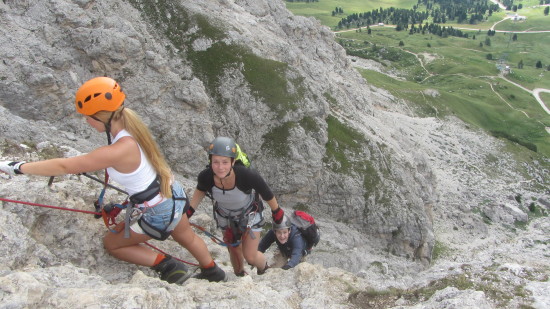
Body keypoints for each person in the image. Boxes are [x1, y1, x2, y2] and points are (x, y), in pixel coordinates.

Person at [0, 76, 226, 284]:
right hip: (172, 193)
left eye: (88, 118)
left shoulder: (118, 149)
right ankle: (213, 271)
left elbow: (63, 166)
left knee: (112, 244)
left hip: (158, 208)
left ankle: (168, 266)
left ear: (100, 117)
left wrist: (19, 168)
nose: (87, 122)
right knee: (186, 235)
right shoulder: (132, 128)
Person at [187, 136, 285, 276]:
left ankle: (263, 268)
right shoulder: (206, 177)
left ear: (233, 162)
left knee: (250, 256)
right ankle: (239, 274)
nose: (220, 167)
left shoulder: (246, 175)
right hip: (225, 217)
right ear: (210, 161)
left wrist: (277, 211)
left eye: (225, 162)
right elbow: (200, 191)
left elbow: (266, 192)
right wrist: (189, 212)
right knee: (233, 248)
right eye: (216, 162)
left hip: (250, 214)